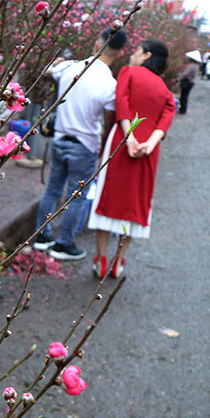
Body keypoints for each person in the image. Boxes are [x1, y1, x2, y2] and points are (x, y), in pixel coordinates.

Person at [33, 28, 127, 261]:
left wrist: (58, 62)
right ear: (119, 54)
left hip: (59, 138)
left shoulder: (71, 67)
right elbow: (112, 115)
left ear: (97, 45)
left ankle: (42, 237)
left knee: (53, 189)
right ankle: (64, 244)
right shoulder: (110, 84)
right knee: (76, 195)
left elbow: (49, 71)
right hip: (85, 144)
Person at [87, 40, 175, 278]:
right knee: (137, 204)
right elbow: (168, 114)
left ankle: (102, 260)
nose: (131, 55)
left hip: (121, 143)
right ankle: (117, 263)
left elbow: (121, 103)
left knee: (108, 197)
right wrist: (149, 143)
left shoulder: (128, 72)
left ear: (146, 55)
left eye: (136, 51)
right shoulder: (164, 88)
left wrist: (130, 138)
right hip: (148, 150)